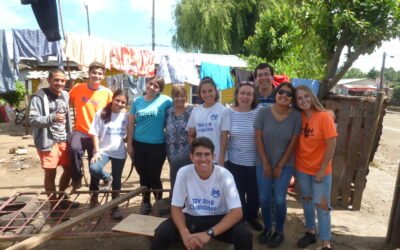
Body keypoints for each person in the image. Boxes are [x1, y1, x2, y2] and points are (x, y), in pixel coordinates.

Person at [152, 137, 253, 250]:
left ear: (213, 157)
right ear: (192, 157)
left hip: (218, 218)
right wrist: (184, 234)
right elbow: (176, 208)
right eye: (198, 154)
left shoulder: (224, 175)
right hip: (192, 218)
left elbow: (237, 212)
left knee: (245, 235)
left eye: (207, 154)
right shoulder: (184, 172)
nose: (203, 159)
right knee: (161, 232)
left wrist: (209, 233)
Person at [254, 82, 302, 248]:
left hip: (285, 163)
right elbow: (258, 138)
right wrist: (266, 162)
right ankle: (268, 227)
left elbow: (293, 144)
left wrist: (280, 165)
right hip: (263, 161)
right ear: (276, 93)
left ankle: (279, 231)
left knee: (280, 199)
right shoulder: (263, 112)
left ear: (292, 98)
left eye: (289, 94)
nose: (284, 95)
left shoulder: (296, 115)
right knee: (264, 197)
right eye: (281, 91)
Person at [29, 68, 79, 212]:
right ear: (49, 80)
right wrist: (52, 118)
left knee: (69, 170)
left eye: (62, 80)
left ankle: (62, 199)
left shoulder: (65, 95)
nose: (59, 83)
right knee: (50, 173)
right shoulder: (39, 97)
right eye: (56, 80)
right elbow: (32, 119)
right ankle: (54, 206)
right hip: (48, 141)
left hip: (64, 139)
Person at [295, 85, 337, 250]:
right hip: (301, 168)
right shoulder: (298, 117)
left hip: (320, 171)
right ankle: (310, 232)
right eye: (299, 98)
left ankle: (326, 242)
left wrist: (321, 170)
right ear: (296, 102)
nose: (303, 100)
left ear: (312, 96)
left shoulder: (324, 117)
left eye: (306, 96)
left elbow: (331, 144)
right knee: (307, 201)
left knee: (322, 206)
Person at [126, 76, 172, 215]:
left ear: (160, 90)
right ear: (146, 84)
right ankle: (145, 202)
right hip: (138, 144)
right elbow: (130, 124)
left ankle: (159, 203)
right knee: (142, 175)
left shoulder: (166, 101)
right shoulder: (137, 101)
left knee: (154, 175)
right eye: (150, 84)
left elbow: (179, 107)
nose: (152, 87)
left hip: (157, 145)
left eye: (156, 86)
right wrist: (129, 144)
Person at [69, 62, 113, 193]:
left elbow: (112, 112)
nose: (96, 76)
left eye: (100, 73)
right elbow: (64, 100)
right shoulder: (78, 88)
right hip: (81, 131)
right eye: (94, 73)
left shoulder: (107, 93)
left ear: (103, 76)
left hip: (98, 135)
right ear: (89, 74)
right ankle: (76, 179)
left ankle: (94, 195)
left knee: (93, 163)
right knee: (74, 149)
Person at [224, 81, 263, 231]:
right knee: (237, 193)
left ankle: (251, 217)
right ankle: (238, 219)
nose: (245, 97)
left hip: (254, 161)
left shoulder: (260, 111)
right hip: (234, 161)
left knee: (254, 194)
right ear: (237, 95)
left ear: (254, 97)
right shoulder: (229, 112)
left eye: (249, 94)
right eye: (242, 93)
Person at [88, 89, 128, 220]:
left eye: (123, 102)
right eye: (118, 100)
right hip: (103, 150)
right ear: (113, 98)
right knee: (94, 168)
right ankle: (107, 178)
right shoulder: (102, 113)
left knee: (117, 181)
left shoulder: (126, 115)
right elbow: (94, 133)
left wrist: (127, 139)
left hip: (119, 152)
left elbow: (129, 131)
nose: (120, 103)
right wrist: (97, 151)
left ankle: (114, 207)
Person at [186, 77, 230, 166]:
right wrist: (195, 155)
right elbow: (190, 136)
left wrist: (221, 160)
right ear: (200, 94)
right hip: (200, 158)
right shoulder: (195, 111)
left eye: (210, 91)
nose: (207, 94)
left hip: (217, 158)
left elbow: (224, 137)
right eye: (204, 92)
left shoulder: (223, 110)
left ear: (216, 91)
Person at [165, 84, 194, 189]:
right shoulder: (169, 111)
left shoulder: (192, 110)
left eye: (182, 96)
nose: (179, 99)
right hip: (171, 150)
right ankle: (175, 200)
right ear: (172, 98)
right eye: (176, 96)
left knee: (187, 176)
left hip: (186, 150)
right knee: (174, 175)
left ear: (186, 97)